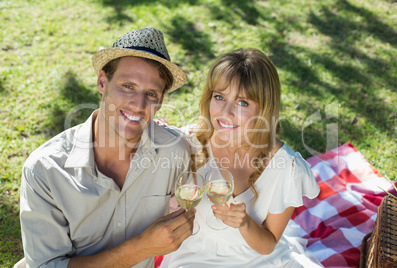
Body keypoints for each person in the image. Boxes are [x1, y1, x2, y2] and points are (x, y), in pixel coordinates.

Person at [16, 28, 196, 268]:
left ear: (160, 101)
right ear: (102, 82)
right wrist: (142, 247)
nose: (138, 105)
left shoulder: (174, 151)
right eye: (128, 86)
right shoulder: (45, 169)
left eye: (150, 94)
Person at [160, 48, 322, 267]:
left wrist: (245, 223)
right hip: (195, 259)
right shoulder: (187, 143)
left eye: (242, 102)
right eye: (219, 97)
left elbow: (268, 245)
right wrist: (155, 138)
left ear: (263, 109)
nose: (225, 112)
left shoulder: (285, 166)